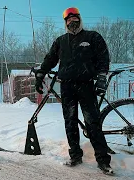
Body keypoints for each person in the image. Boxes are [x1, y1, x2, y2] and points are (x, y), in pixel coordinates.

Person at [34, 7, 113, 175]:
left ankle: (103, 161)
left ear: (80, 19)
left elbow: (103, 58)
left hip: (86, 85)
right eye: (68, 20)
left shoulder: (92, 37)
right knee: (70, 122)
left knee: (92, 122)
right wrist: (40, 74)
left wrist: (101, 78)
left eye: (75, 18)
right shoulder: (61, 41)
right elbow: (50, 59)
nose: (72, 22)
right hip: (67, 86)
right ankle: (75, 156)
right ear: (65, 23)